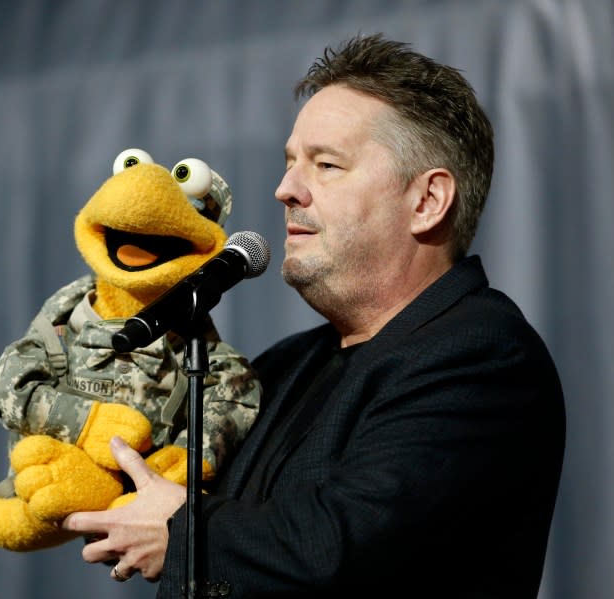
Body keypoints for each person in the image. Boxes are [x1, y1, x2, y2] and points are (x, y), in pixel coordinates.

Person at [62, 33, 565, 598]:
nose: (284, 190)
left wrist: (184, 533)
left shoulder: (482, 357)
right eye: (290, 163)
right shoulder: (285, 366)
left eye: (326, 165)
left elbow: (348, 542)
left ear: (427, 201)